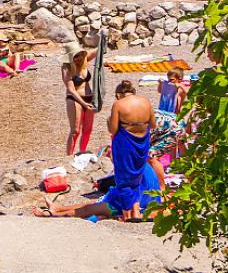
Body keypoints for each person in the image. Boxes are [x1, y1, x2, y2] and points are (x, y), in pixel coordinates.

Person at [37, 82, 160, 221]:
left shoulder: (119, 105)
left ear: (118, 95)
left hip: (126, 143)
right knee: (136, 177)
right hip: (142, 142)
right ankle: (136, 213)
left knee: (125, 178)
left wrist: (113, 121)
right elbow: (153, 124)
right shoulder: (146, 102)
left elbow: (113, 129)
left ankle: (128, 215)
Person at [62, 40, 98, 156]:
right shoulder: (66, 67)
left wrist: (105, 37)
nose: (77, 58)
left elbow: (100, 50)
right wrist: (83, 103)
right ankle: (69, 156)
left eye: (79, 55)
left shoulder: (85, 61)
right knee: (75, 131)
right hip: (74, 99)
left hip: (89, 98)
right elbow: (71, 89)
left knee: (87, 130)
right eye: (74, 56)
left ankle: (82, 153)